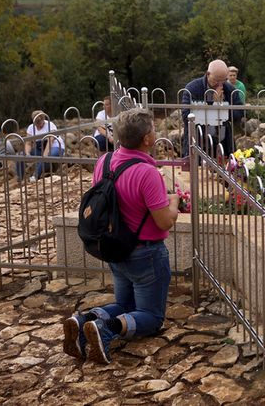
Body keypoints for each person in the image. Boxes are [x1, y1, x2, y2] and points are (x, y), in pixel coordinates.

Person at [62, 107, 180, 364]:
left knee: (125, 305)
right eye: (153, 131)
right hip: (145, 253)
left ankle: (83, 320)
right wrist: (174, 203)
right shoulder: (147, 173)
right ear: (147, 139)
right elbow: (163, 222)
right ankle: (108, 329)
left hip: (114, 249)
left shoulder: (103, 162)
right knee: (151, 316)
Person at [180, 60, 244, 159]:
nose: (220, 85)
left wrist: (221, 106)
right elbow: (186, 116)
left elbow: (239, 113)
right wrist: (213, 105)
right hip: (198, 139)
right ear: (208, 74)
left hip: (223, 142)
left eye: (223, 81)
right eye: (216, 81)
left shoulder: (229, 89)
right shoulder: (192, 88)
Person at [21, 110, 64, 182]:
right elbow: (28, 143)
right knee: (21, 155)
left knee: (46, 157)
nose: (38, 124)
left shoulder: (50, 125)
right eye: (36, 122)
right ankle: (21, 178)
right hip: (40, 148)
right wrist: (27, 153)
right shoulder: (31, 128)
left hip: (54, 146)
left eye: (40, 121)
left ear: (43, 119)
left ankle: (35, 176)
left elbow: (51, 140)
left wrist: (45, 154)